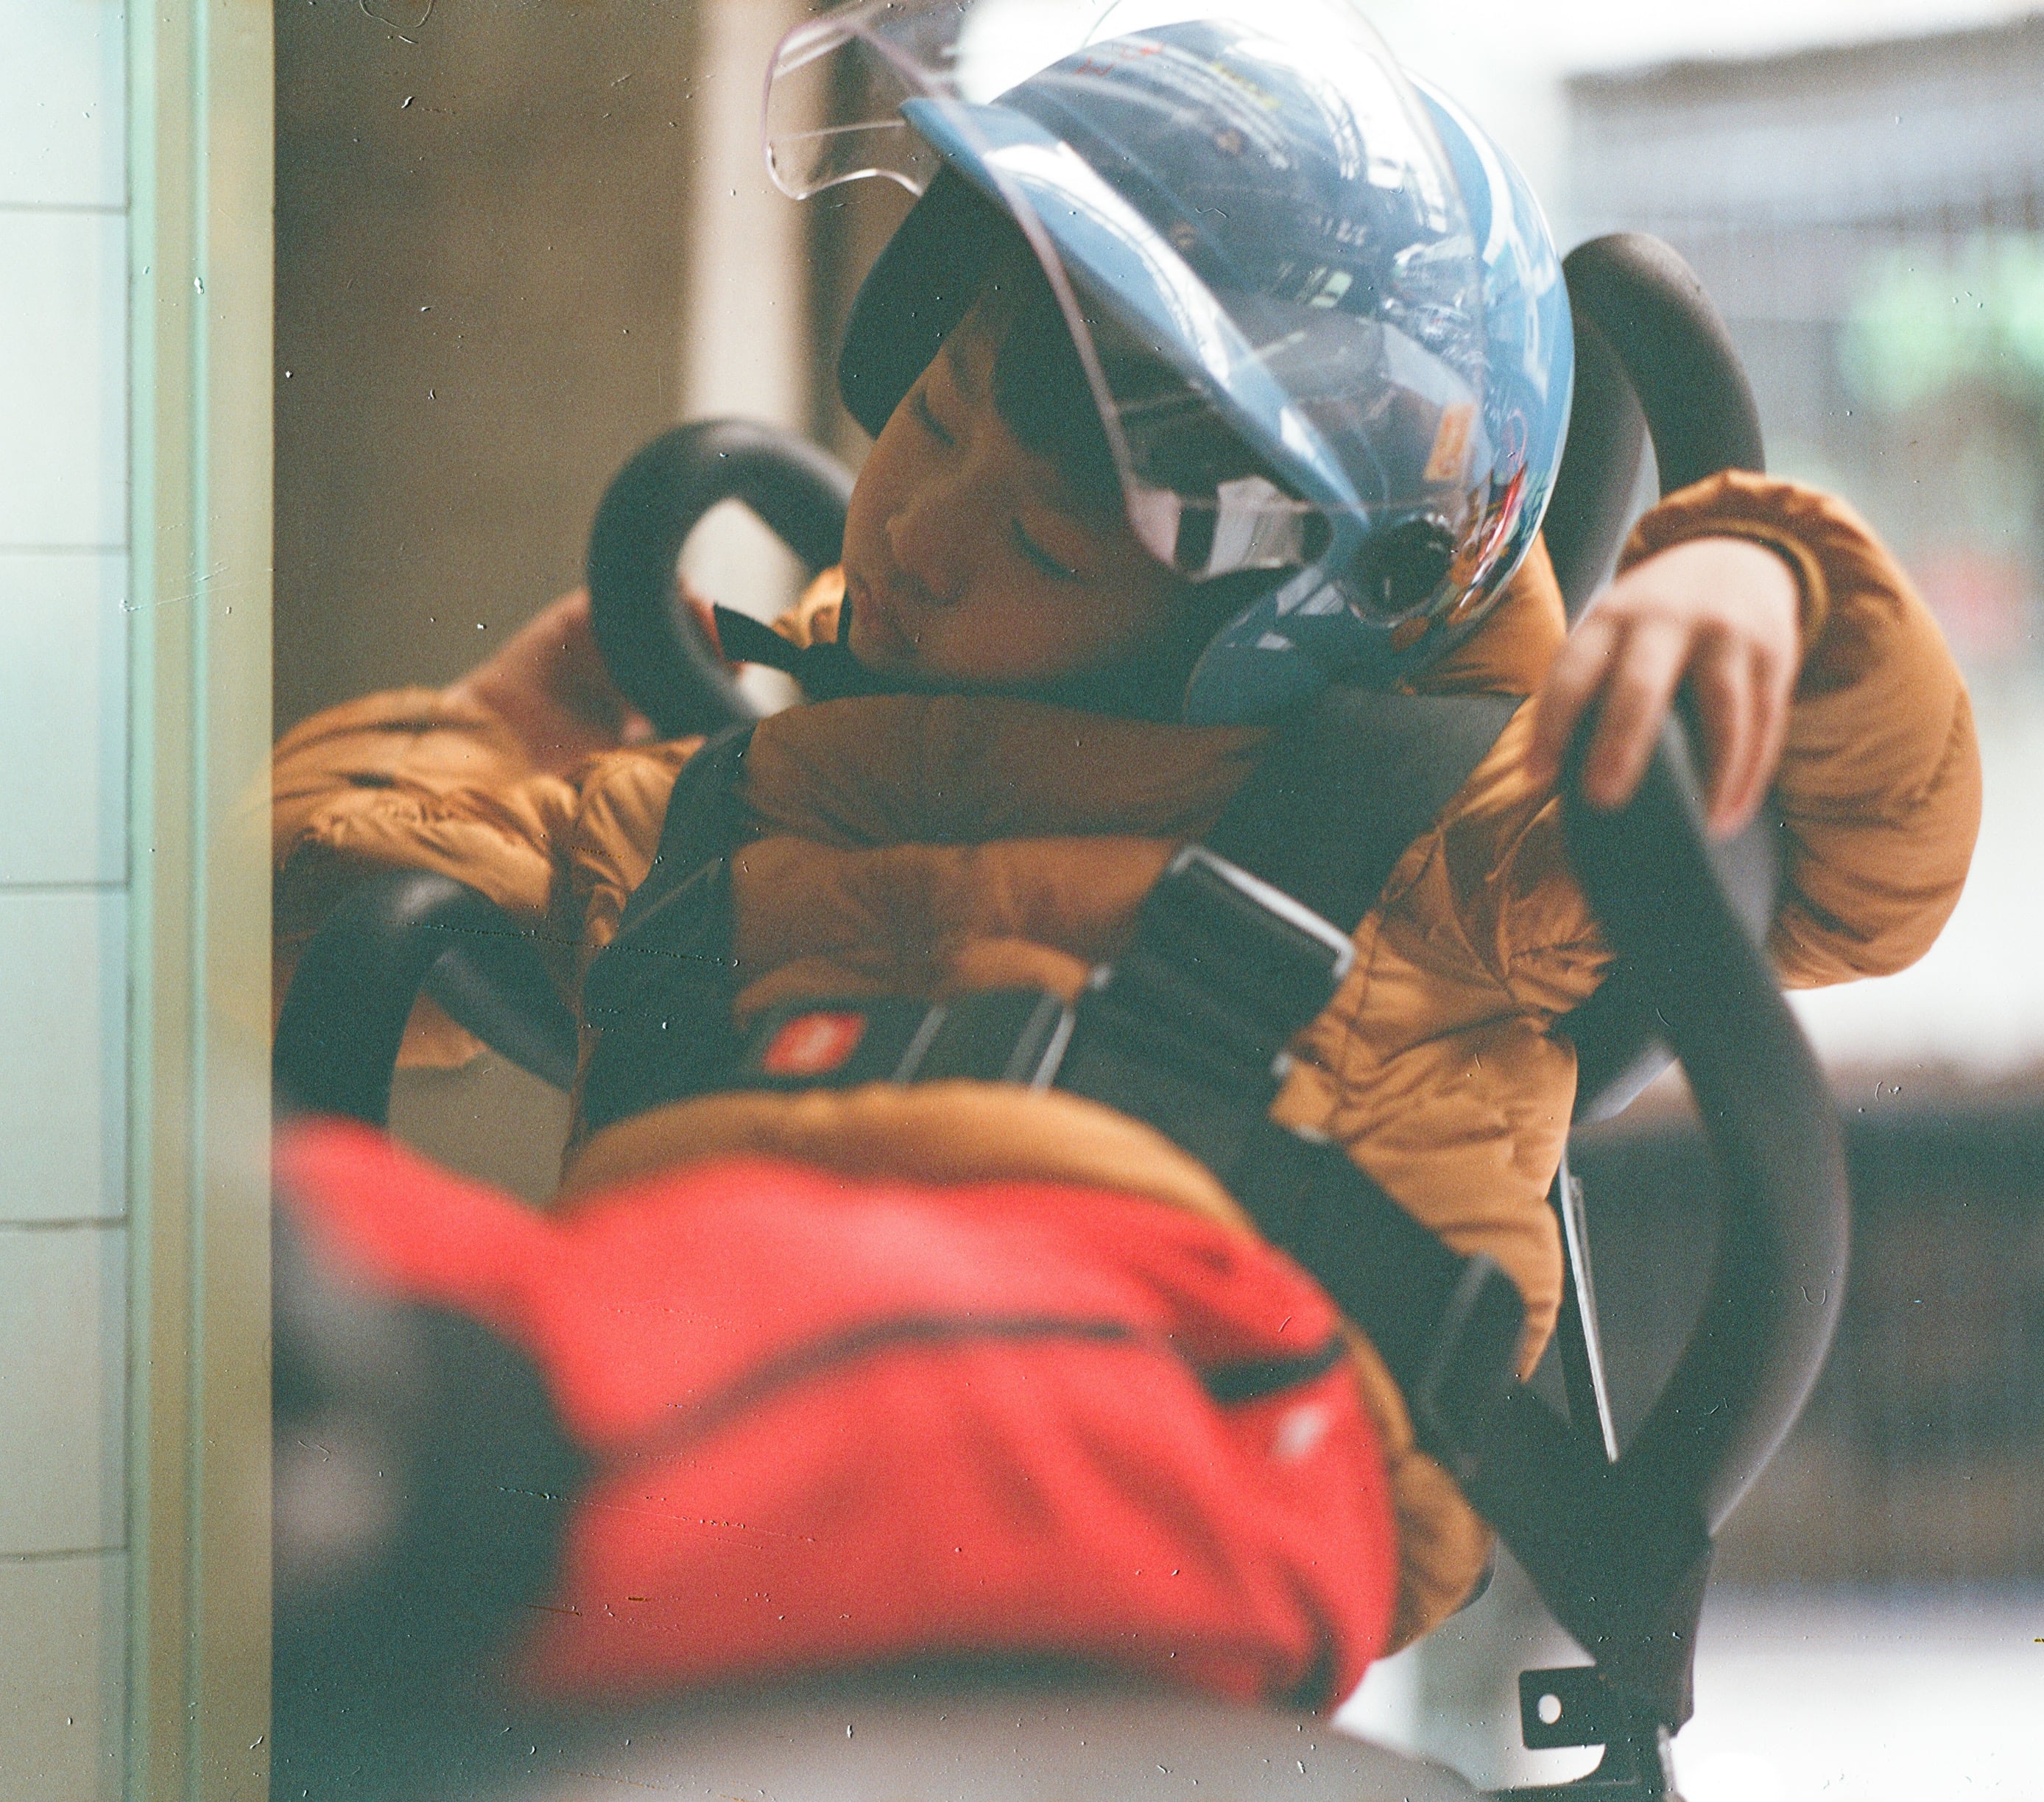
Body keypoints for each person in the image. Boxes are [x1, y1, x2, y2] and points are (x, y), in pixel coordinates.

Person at [270, 0, 1981, 1748]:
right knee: (311, 1244)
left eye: (1033, 535)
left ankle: (453, 1441)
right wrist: (495, 729)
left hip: (1211, 1405)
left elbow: (1876, 864)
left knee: (847, 1349)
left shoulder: (1447, 832)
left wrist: (1765, 577)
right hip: (678, 1321)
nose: (918, 531)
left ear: (1274, 620)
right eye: (936, 427)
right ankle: (409, 1403)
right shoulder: (720, 802)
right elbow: (283, 909)